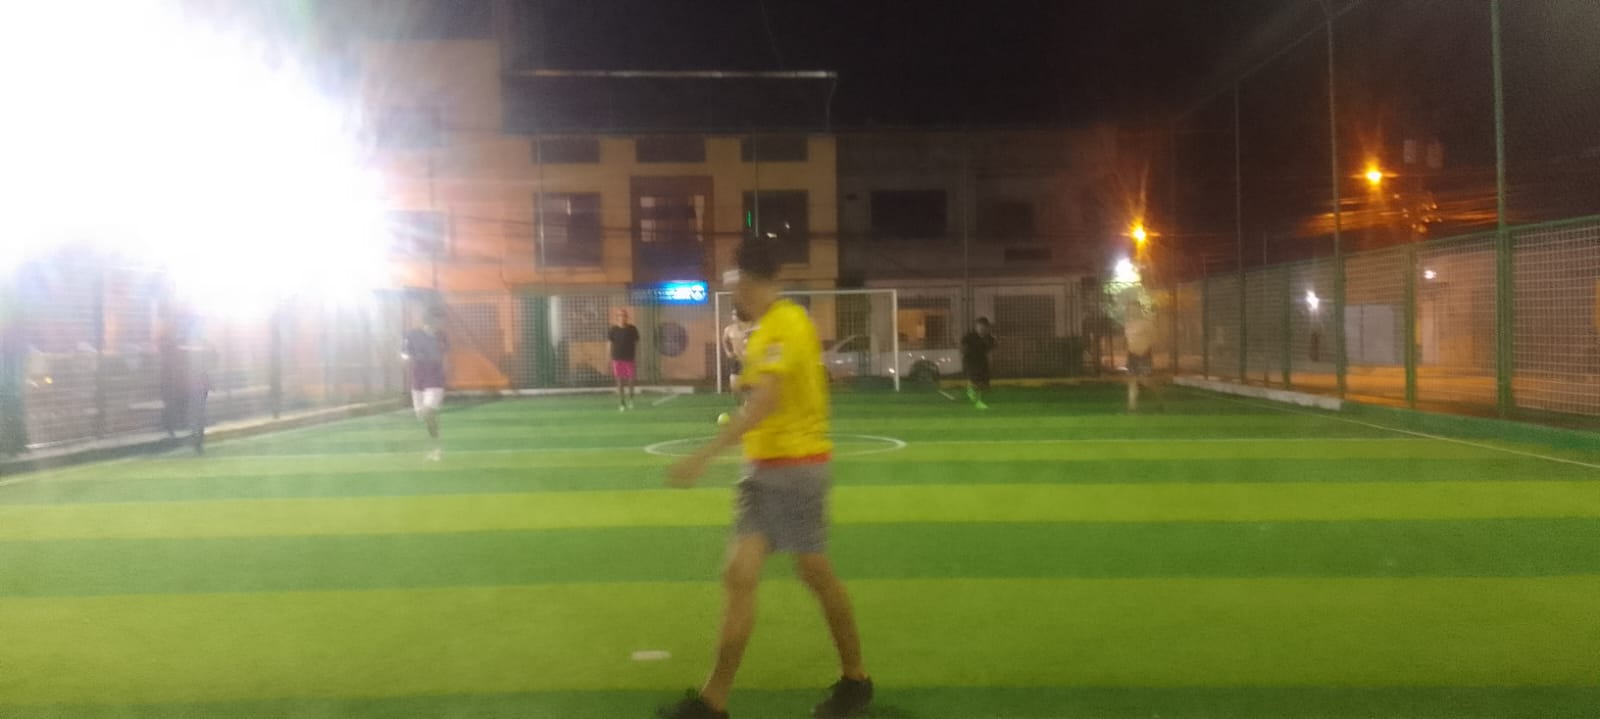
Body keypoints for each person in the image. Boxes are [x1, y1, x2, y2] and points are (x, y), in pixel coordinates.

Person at [662, 240, 872, 719]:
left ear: (755, 281)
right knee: (740, 575)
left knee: (815, 574)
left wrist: (703, 455)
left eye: (737, 283)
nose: (734, 292)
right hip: (761, 471)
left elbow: (765, 403)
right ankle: (713, 701)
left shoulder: (786, 323)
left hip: (798, 470)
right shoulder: (764, 331)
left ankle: (856, 679)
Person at [402, 310, 448, 460]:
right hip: (418, 380)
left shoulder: (441, 336)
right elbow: (404, 353)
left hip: (435, 380)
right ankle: (429, 446)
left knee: (429, 412)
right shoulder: (412, 335)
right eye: (438, 321)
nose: (441, 324)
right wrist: (409, 359)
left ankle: (436, 448)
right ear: (428, 321)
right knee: (422, 415)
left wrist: (445, 373)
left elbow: (444, 356)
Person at [1124, 304, 1163, 412]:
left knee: (1145, 380)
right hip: (1132, 356)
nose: (1132, 312)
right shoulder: (1128, 324)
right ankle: (1132, 408)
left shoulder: (1146, 324)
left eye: (1134, 309)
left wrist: (1145, 347)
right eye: (1130, 310)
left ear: (1139, 310)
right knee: (1132, 381)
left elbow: (1155, 338)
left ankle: (1159, 399)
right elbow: (1128, 340)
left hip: (1144, 355)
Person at [960, 317, 997, 410]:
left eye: (984, 327)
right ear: (976, 327)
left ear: (987, 327)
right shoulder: (969, 337)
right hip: (971, 362)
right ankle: (975, 398)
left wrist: (992, 342)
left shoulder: (989, 338)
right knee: (975, 380)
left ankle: (977, 398)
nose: (982, 329)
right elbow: (964, 348)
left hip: (982, 361)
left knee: (984, 383)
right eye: (980, 327)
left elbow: (991, 347)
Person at [608, 309, 641, 411]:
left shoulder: (632, 329)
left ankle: (631, 400)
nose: (622, 317)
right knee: (620, 381)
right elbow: (609, 344)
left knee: (631, 381)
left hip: (630, 358)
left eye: (624, 316)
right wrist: (609, 358)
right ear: (617, 317)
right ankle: (622, 402)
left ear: (627, 317)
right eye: (620, 315)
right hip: (617, 359)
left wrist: (638, 356)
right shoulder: (613, 329)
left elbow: (637, 344)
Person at [720, 308, 754, 402]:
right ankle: (743, 403)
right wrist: (728, 351)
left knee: (750, 386)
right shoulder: (729, 329)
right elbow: (724, 341)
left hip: (749, 360)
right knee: (734, 386)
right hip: (737, 360)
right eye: (733, 314)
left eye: (737, 314)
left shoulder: (751, 327)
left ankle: (749, 404)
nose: (735, 316)